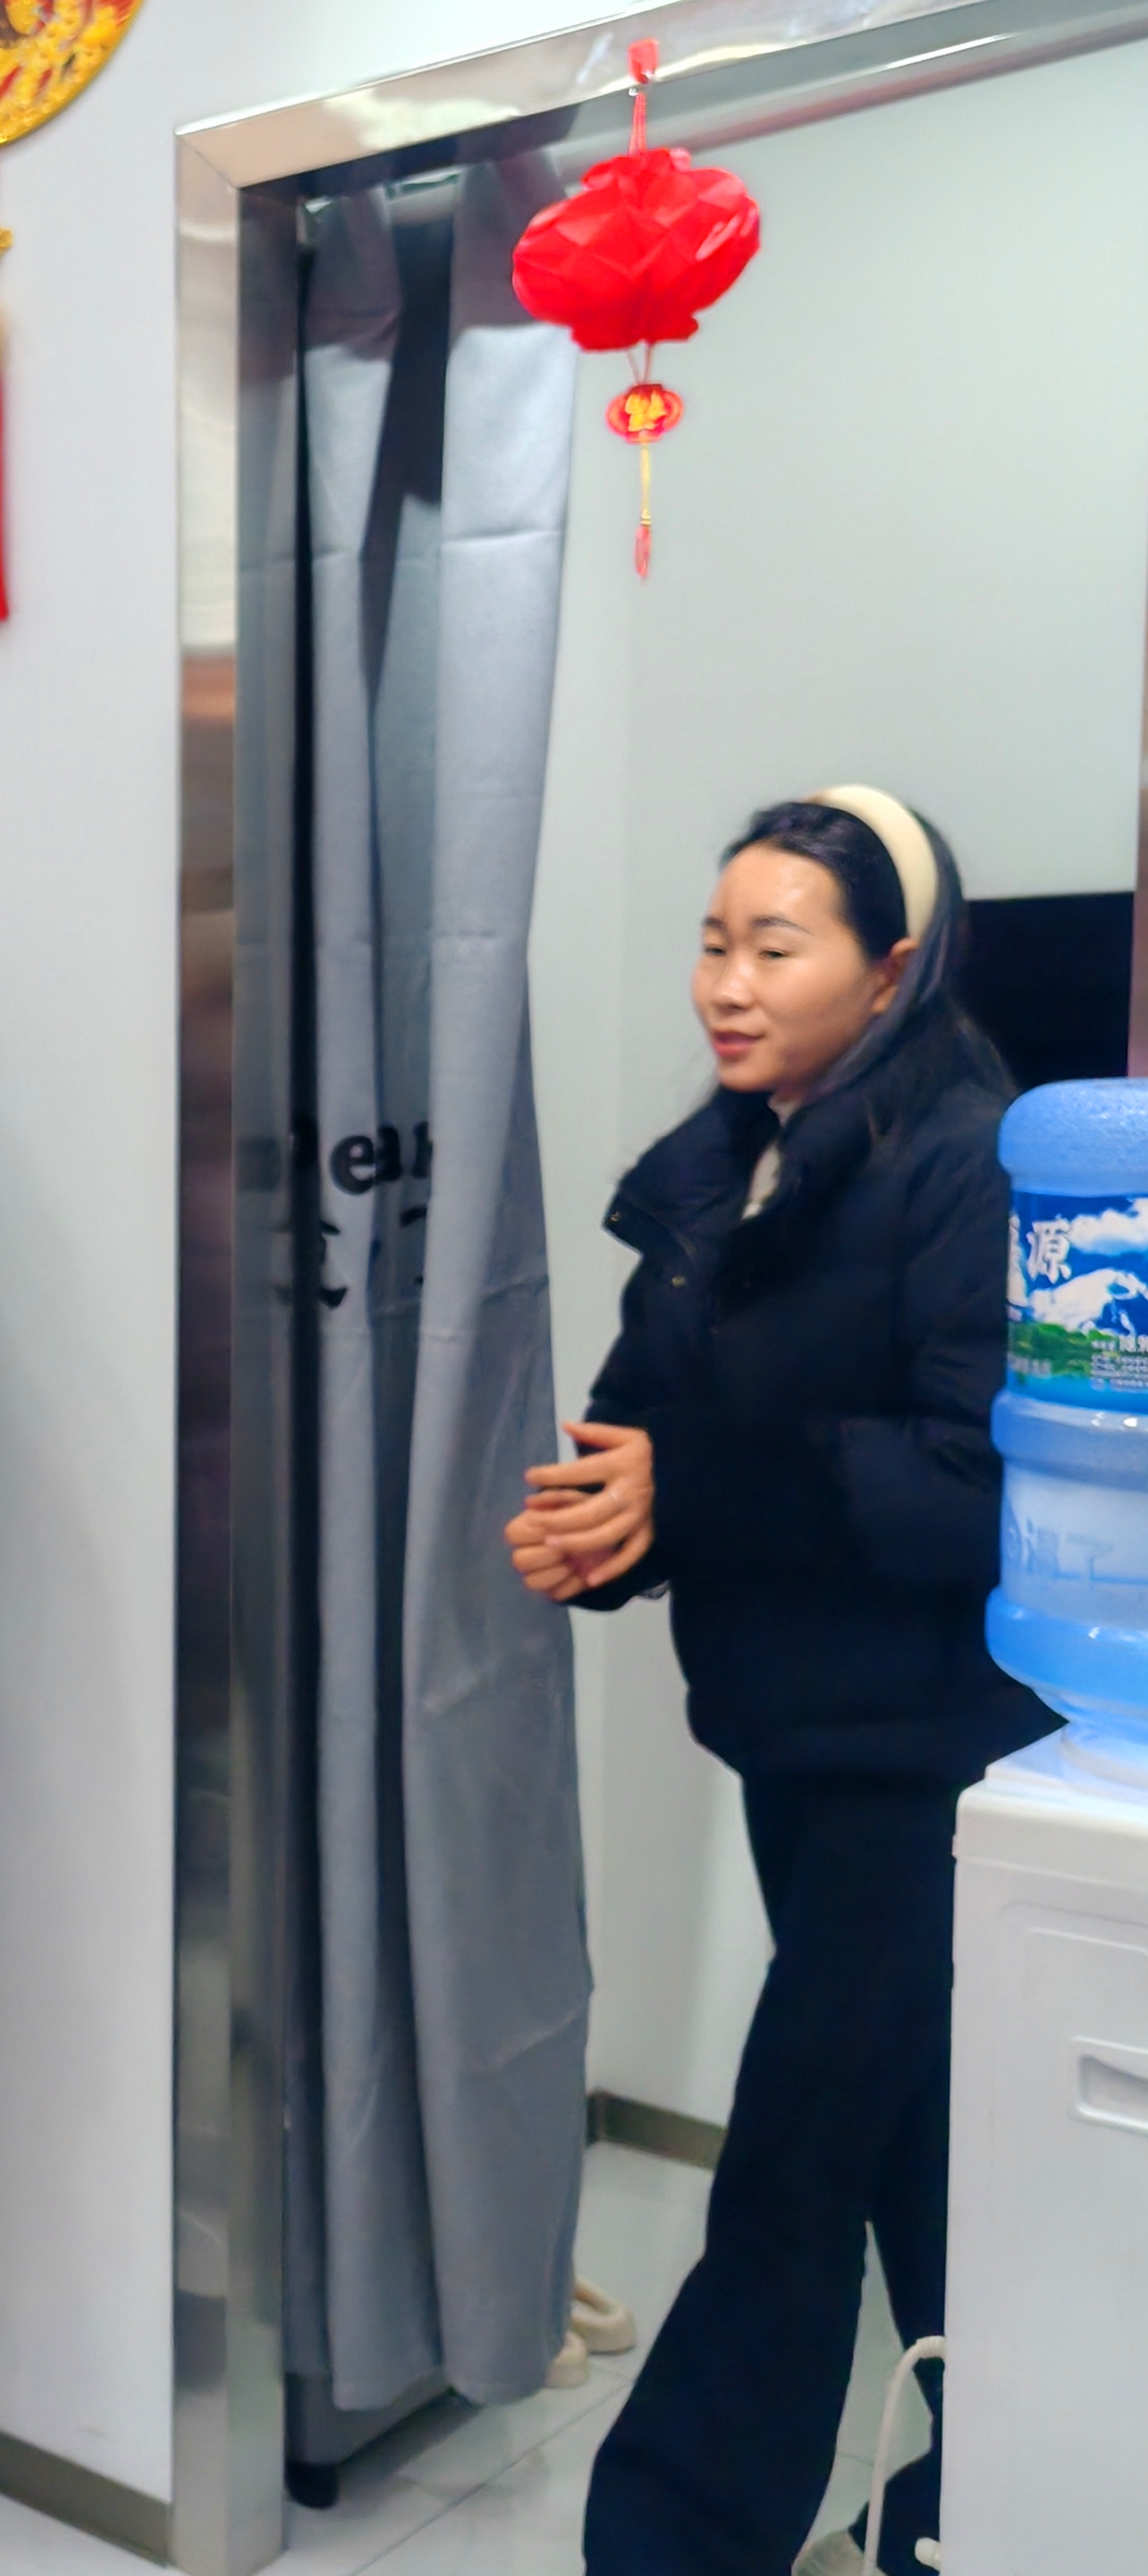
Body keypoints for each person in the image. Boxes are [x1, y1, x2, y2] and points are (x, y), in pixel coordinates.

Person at [509, 790, 1044, 2576]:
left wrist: (688, 1493)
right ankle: (998, 2500)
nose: (725, 984)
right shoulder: (730, 1163)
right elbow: (650, 1428)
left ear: (891, 969)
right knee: (920, 2157)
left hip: (926, 1756)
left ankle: (669, 2545)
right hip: (787, 1736)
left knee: (792, 2168)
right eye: (711, 942)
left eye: (773, 946)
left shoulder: (966, 1161)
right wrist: (603, 1531)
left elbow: (974, 1482)